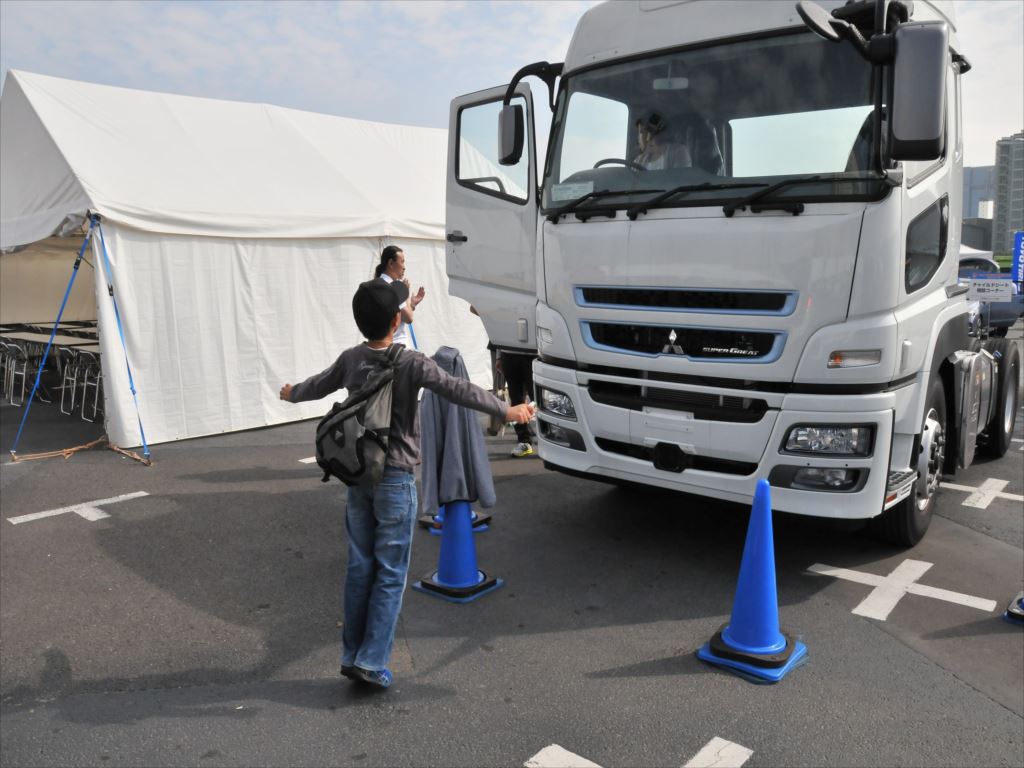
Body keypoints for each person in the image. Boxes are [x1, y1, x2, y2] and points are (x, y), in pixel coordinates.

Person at [279, 278, 534, 689]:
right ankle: (371, 660)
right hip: (395, 477)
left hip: (358, 476)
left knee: (360, 565)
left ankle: (351, 653)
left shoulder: (351, 358)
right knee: (391, 571)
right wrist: (508, 411)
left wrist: (291, 394)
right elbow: (459, 390)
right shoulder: (410, 362)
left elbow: (318, 384)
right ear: (397, 320)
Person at [374, 245, 425, 349]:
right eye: (402, 262)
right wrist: (405, 291)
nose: (404, 266)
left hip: (381, 346)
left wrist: (412, 305)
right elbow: (408, 318)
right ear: (391, 263)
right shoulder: (394, 287)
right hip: (397, 348)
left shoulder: (376, 283)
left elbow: (398, 312)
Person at [497, 349, 538, 457]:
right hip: (509, 354)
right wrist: (499, 357)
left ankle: (549, 441)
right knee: (516, 400)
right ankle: (524, 441)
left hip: (535, 355)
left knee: (539, 400)